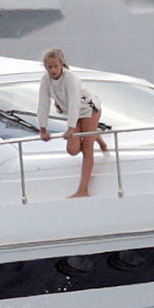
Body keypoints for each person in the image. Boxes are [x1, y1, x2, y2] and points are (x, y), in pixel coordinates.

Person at [37, 48, 108, 197]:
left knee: (87, 148)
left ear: (61, 64)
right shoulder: (45, 80)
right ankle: (96, 135)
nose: (53, 70)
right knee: (73, 150)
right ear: (45, 67)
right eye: (49, 67)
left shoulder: (70, 78)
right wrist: (42, 129)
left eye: (56, 66)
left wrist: (71, 128)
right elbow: (43, 103)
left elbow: (75, 103)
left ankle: (83, 189)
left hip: (88, 109)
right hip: (73, 114)